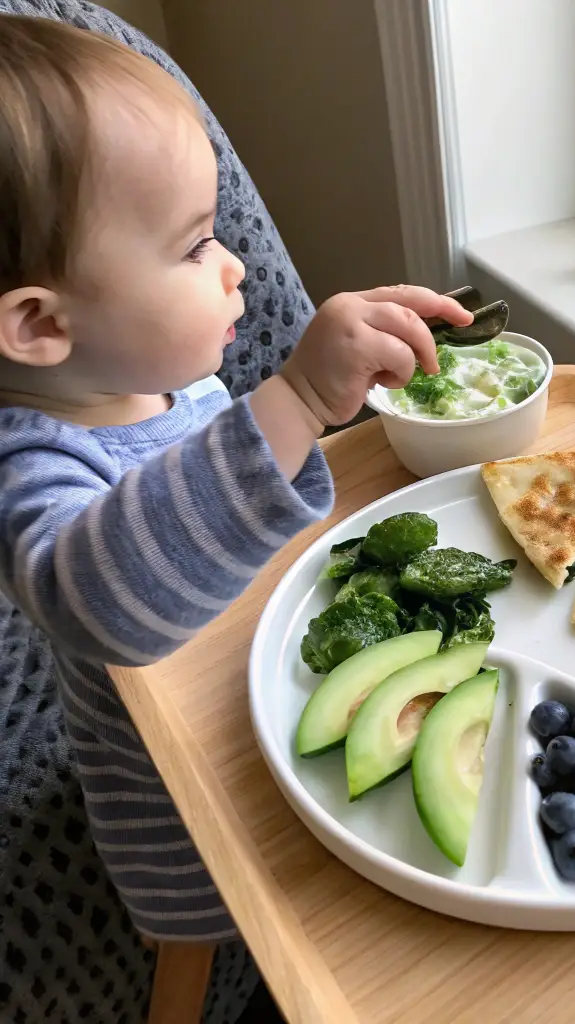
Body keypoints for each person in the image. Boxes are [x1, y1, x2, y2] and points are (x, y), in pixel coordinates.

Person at [0, 14, 472, 942]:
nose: (236, 265)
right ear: (40, 325)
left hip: (293, 700)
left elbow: (241, 500)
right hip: (204, 812)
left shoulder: (171, 382)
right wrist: (294, 398)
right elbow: (106, 603)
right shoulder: (32, 466)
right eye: (194, 247)